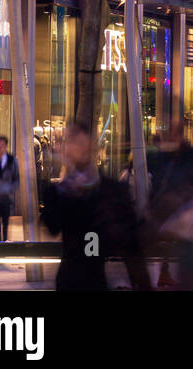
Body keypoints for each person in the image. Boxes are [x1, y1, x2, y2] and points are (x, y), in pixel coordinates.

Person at [39, 121, 147, 290]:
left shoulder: (110, 190)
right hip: (71, 278)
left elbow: (130, 243)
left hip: (94, 277)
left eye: (84, 145)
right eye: (75, 144)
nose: (81, 150)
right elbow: (52, 225)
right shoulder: (60, 192)